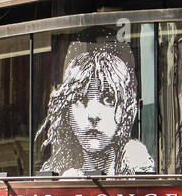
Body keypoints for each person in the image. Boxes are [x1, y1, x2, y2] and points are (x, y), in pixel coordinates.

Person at [36, 40, 154, 176]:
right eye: (80, 99)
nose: (93, 115)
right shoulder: (58, 169)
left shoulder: (135, 158)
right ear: (66, 110)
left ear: (125, 109)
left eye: (108, 99)